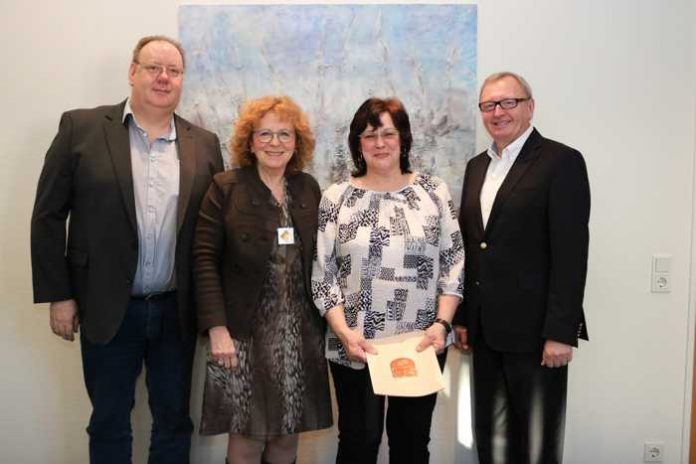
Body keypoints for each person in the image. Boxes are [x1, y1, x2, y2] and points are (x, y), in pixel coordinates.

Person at [30, 35, 224, 464]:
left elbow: (212, 236)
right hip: (106, 305)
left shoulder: (204, 144)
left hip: (177, 310)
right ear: (132, 71)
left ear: (181, 81)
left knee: (174, 421)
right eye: (154, 67)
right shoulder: (80, 128)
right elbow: (47, 216)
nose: (163, 77)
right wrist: (59, 294)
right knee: (109, 420)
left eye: (173, 71)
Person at [312, 97, 464, 464]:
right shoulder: (336, 198)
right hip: (357, 345)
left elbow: (453, 262)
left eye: (388, 134)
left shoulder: (433, 192)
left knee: (411, 444)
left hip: (420, 343)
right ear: (357, 144)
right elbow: (323, 273)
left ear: (404, 139)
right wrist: (344, 332)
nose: (379, 143)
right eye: (369, 136)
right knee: (358, 443)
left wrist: (442, 324)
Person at [454, 71, 590, 464]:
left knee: (536, 447)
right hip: (485, 334)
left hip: (537, 337)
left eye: (507, 103)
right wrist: (464, 317)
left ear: (530, 106)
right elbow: (472, 247)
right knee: (492, 445)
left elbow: (571, 252)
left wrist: (561, 333)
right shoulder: (476, 167)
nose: (497, 112)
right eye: (488, 105)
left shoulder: (560, 162)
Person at [193, 95, 332, 464]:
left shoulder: (308, 189)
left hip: (300, 335)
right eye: (265, 134)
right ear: (249, 141)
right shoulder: (226, 188)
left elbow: (323, 259)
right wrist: (216, 328)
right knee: (247, 439)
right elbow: (204, 260)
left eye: (284, 134)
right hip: (243, 334)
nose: (275, 143)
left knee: (287, 437)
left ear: (297, 142)